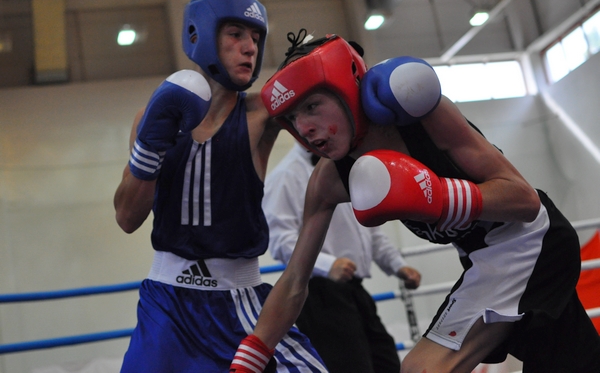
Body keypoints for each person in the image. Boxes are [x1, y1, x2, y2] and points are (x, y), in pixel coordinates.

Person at [230, 30, 600, 373]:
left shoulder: (423, 118)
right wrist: (253, 353)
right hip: (484, 258)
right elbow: (295, 279)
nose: (304, 128)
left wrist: (440, 196)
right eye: (293, 118)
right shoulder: (329, 180)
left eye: (312, 106)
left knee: (422, 369)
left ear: (345, 86)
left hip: (528, 241)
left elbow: (524, 200)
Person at [114, 0, 327, 373]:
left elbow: (331, 124)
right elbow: (128, 218)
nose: (250, 48)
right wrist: (150, 149)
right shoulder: (151, 117)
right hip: (166, 308)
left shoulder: (263, 113)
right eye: (235, 34)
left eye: (256, 38)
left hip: (241, 303)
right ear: (200, 36)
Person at [264, 140, 422, 373]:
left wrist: (398, 265)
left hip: (355, 290)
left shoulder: (343, 166)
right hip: (318, 293)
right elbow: (279, 240)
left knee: (387, 363)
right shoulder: (286, 175)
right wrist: (328, 265)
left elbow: (369, 228)